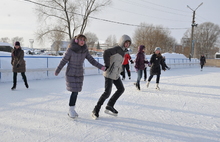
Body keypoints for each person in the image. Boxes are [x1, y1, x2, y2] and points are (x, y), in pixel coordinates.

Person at [55, 34, 105, 119]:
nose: (82, 41)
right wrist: (58, 70)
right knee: (74, 92)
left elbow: (91, 60)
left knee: (76, 92)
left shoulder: (84, 50)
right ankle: (71, 110)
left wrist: (101, 67)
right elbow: (64, 60)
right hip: (71, 72)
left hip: (79, 73)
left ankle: (72, 109)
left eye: (84, 40)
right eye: (81, 39)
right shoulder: (70, 50)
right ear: (76, 40)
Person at [92, 34, 132, 119]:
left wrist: (120, 71)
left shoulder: (124, 51)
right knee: (107, 93)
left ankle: (110, 105)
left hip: (116, 74)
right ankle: (96, 109)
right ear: (122, 42)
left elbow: (118, 61)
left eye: (129, 43)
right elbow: (106, 52)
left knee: (121, 89)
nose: (127, 44)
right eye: (126, 42)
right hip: (109, 73)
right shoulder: (117, 49)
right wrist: (107, 64)